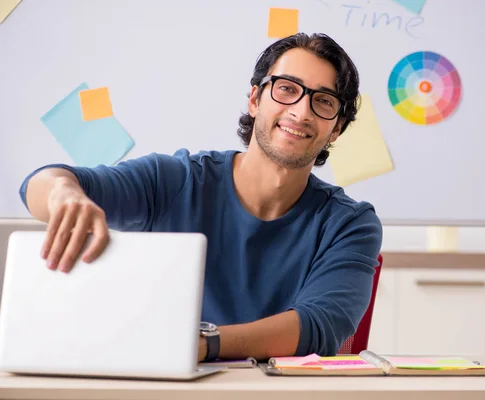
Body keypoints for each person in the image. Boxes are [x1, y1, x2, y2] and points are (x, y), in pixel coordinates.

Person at [19, 33, 383, 361]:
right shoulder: (175, 180)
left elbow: (318, 328)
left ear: (336, 128)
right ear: (255, 99)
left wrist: (205, 343)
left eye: (323, 101)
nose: (301, 111)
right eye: (287, 88)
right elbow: (40, 185)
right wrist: (64, 194)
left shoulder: (351, 224)